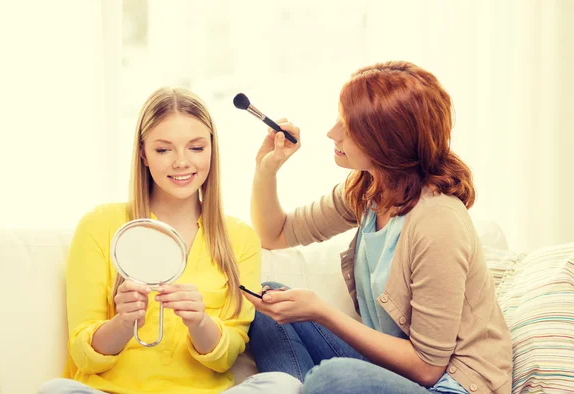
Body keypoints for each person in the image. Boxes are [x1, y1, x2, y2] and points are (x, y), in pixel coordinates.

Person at [244, 61, 513, 394]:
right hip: (393, 373)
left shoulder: (438, 221)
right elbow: (275, 234)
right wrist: (266, 169)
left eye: (349, 126)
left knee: (332, 380)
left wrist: (322, 312)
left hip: (451, 385)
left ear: (388, 140)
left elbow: (428, 368)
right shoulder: (368, 190)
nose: (332, 133)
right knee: (271, 302)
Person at [38, 88, 302, 394]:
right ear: (143, 154)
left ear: (212, 150)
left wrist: (200, 323)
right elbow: (84, 357)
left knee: (282, 385)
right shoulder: (98, 225)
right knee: (55, 390)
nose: (181, 162)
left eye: (196, 148)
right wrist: (122, 323)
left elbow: (227, 356)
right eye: (164, 150)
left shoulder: (240, 238)